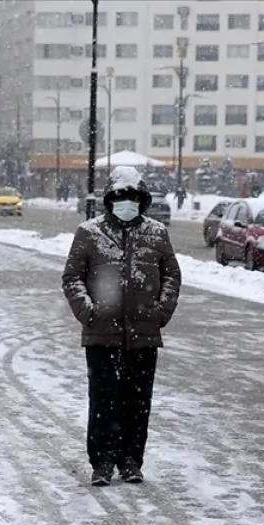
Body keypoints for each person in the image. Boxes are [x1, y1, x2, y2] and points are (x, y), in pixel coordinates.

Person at [61, 167, 182, 487]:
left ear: (142, 201)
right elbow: (72, 277)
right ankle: (101, 461)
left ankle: (130, 459)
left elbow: (171, 275)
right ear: (110, 199)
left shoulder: (156, 233)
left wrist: (160, 313)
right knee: (103, 400)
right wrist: (88, 312)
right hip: (101, 333)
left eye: (133, 198)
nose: (126, 203)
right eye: (120, 197)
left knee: (137, 401)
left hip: (143, 334)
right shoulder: (89, 233)